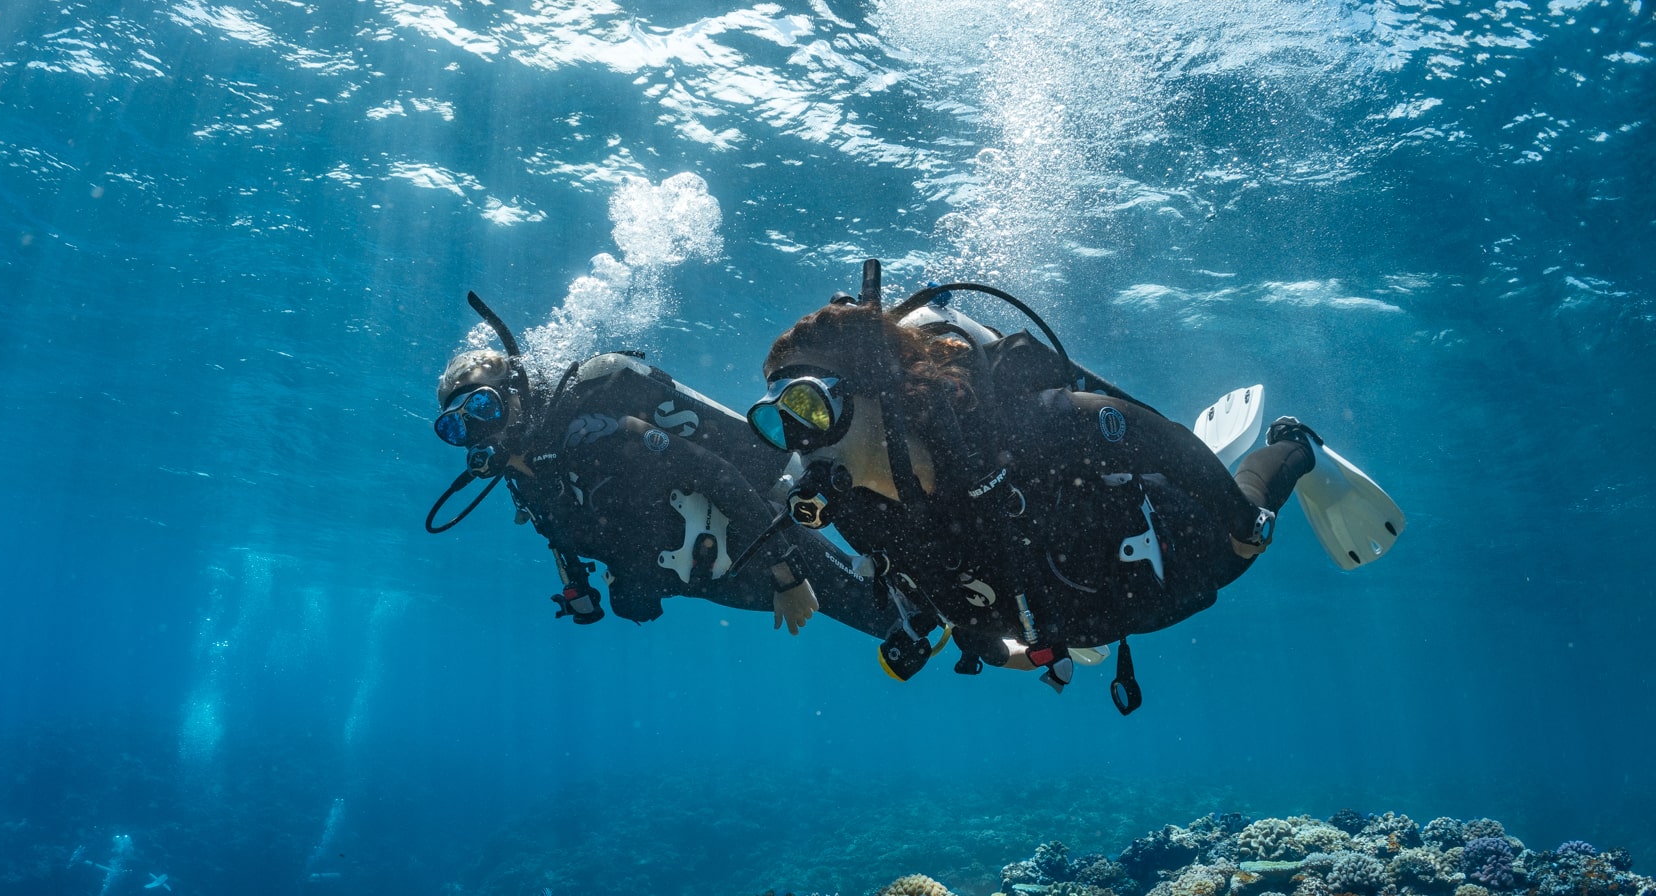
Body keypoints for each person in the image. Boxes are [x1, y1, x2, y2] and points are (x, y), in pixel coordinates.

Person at [742, 262, 1405, 710]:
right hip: (1069, 605)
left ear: (876, 392)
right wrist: (1009, 649)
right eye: (778, 424)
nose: (801, 442)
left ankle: (1295, 445)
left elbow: (1147, 433)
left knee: (1242, 549)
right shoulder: (856, 511)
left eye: (812, 407)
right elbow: (932, 589)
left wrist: (1238, 518)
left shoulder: (1007, 432)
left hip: (1156, 548)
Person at [424, 293, 895, 641]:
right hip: (713, 576)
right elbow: (563, 536)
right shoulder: (526, 478)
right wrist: (609, 588)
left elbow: (719, 476)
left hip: (758, 540)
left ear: (512, 395)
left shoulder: (597, 432)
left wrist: (787, 574)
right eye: (456, 428)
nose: (479, 432)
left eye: (483, 409)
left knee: (891, 614)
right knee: (888, 616)